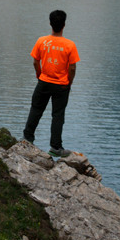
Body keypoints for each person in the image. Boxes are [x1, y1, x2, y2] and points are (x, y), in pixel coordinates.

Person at [23, 10, 79, 156]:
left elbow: (35, 61)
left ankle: (27, 139)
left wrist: (39, 74)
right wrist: (69, 82)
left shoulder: (41, 41)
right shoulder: (70, 45)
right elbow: (72, 67)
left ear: (50, 24)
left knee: (36, 110)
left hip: (43, 81)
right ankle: (55, 147)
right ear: (64, 25)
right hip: (62, 85)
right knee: (58, 115)